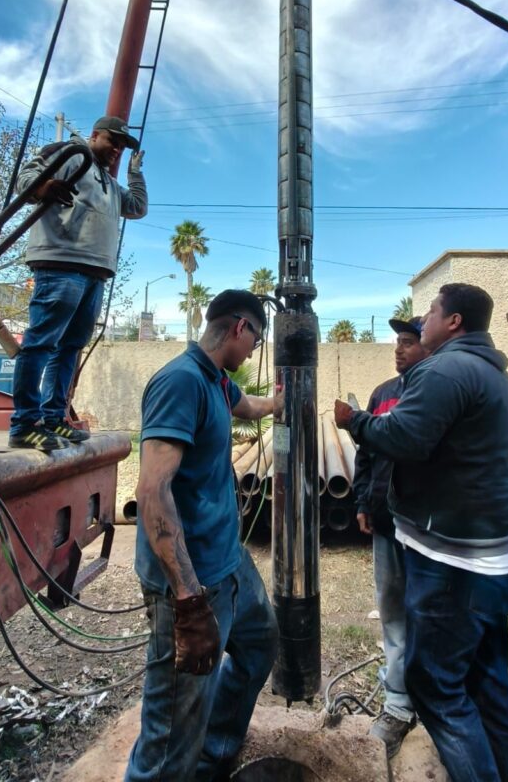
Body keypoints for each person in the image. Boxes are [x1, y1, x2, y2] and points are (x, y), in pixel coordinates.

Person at [335, 283, 508, 782]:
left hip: (456, 565)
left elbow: (404, 437)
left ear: (454, 322)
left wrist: (354, 421)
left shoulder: (445, 371)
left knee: (436, 689)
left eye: (430, 310)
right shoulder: (493, 374)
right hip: (495, 558)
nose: (422, 319)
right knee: (487, 684)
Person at [125, 289, 279, 782]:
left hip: (230, 565)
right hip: (191, 584)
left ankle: (212, 759)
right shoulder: (181, 382)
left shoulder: (216, 380)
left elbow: (246, 405)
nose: (254, 351)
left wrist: (278, 402)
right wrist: (189, 601)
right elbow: (152, 491)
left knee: (260, 646)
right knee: (171, 730)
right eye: (256, 339)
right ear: (240, 327)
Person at [9, 115, 148, 451]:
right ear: (95, 134)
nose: (116, 149)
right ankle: (24, 424)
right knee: (41, 343)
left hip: (94, 271)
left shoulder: (109, 183)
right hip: (61, 263)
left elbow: (137, 207)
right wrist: (44, 188)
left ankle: (53, 417)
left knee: (69, 347)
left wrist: (134, 173)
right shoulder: (71, 154)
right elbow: (24, 179)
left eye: (122, 146)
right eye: (112, 141)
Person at [351, 315, 426, 757]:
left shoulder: (434, 393)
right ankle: (398, 703)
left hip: (426, 528)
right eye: (398, 341)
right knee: (393, 610)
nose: (399, 349)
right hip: (385, 521)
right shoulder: (383, 394)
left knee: (428, 613)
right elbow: (366, 453)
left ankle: (431, 698)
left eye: (409, 342)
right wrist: (363, 502)